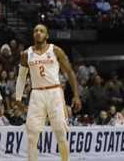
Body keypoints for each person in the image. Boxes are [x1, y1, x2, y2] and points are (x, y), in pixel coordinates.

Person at [13, 24, 82, 161]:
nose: (38, 33)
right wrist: (18, 99)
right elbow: (21, 78)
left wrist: (76, 95)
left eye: (42, 31)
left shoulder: (56, 50)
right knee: (32, 135)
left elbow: (69, 73)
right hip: (36, 94)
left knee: (60, 132)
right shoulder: (26, 54)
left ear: (47, 35)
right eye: (36, 31)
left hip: (54, 93)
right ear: (33, 35)